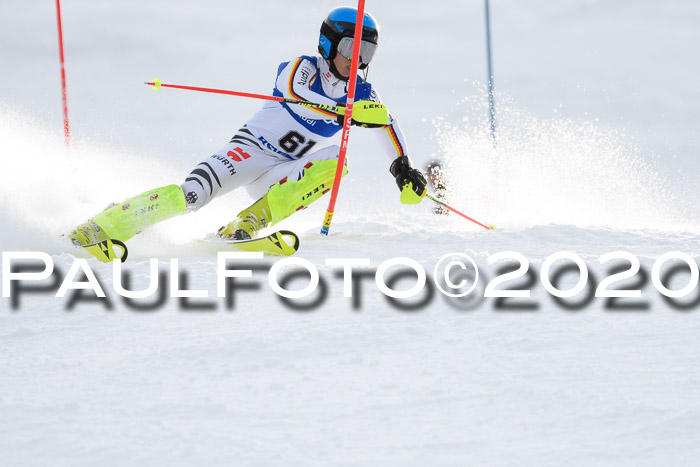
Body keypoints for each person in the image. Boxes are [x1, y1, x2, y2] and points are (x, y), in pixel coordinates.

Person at [69, 6, 427, 256]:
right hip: (249, 152)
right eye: (351, 47)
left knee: (337, 161)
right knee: (191, 196)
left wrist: (403, 169)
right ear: (329, 44)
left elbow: (387, 124)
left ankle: (246, 225)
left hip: (282, 173)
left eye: (368, 50)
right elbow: (294, 91)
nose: (357, 59)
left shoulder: (361, 92)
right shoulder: (304, 68)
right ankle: (103, 225)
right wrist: (345, 111)